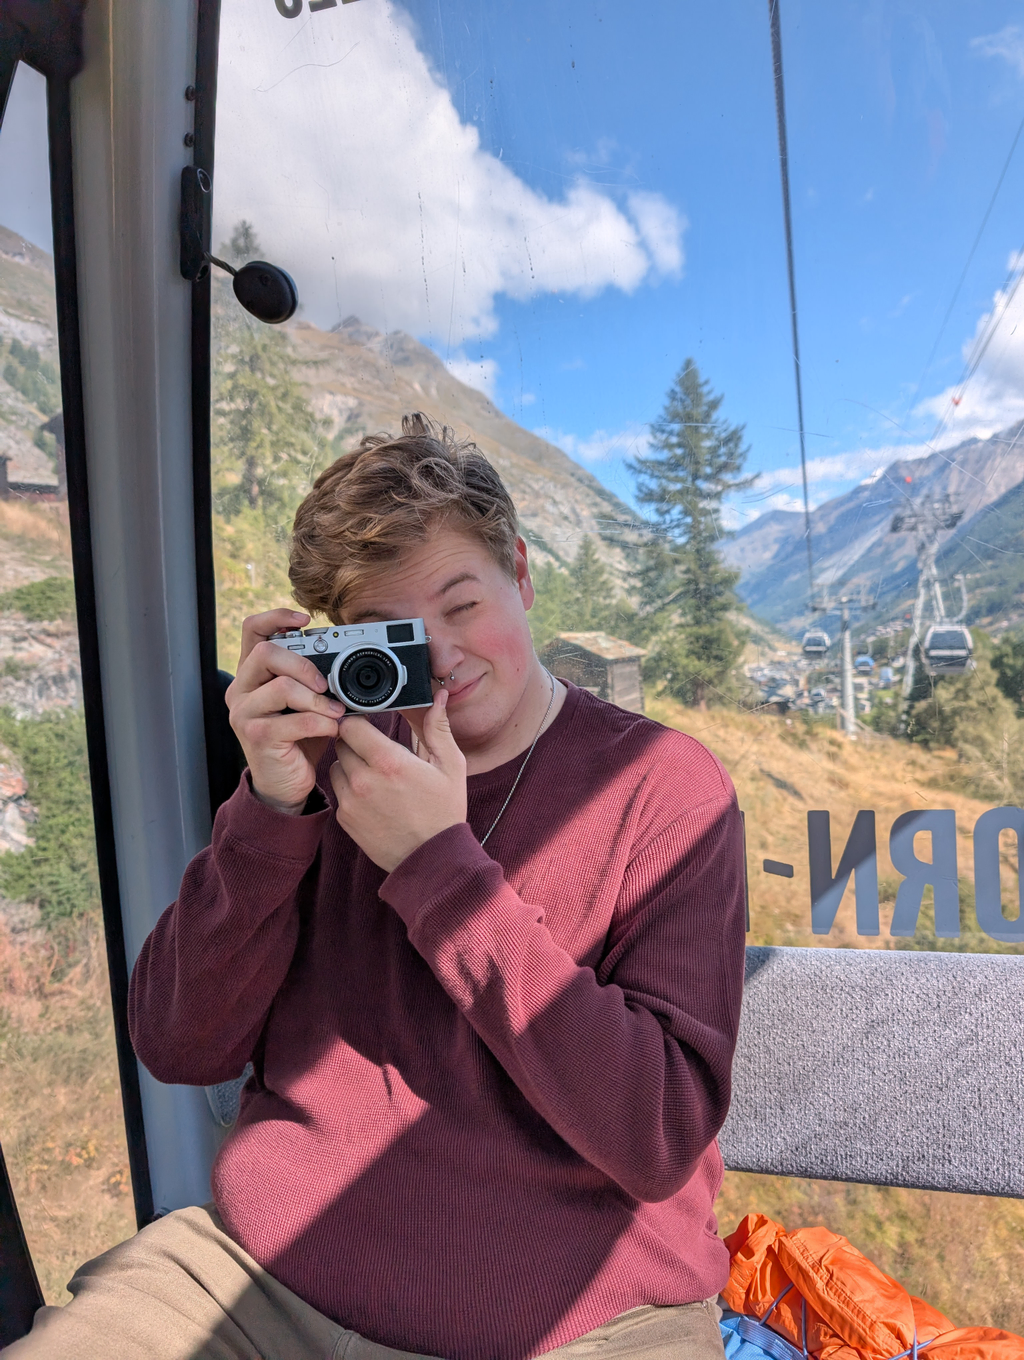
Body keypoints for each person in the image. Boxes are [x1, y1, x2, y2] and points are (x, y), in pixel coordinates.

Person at [9, 415, 746, 1360]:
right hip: (259, 1280)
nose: (439, 658)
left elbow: (658, 1133)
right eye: (393, 632)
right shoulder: (326, 771)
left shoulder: (661, 787)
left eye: (462, 603)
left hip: (583, 1318)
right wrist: (270, 811)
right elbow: (178, 1043)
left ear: (519, 574)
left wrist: (440, 868)